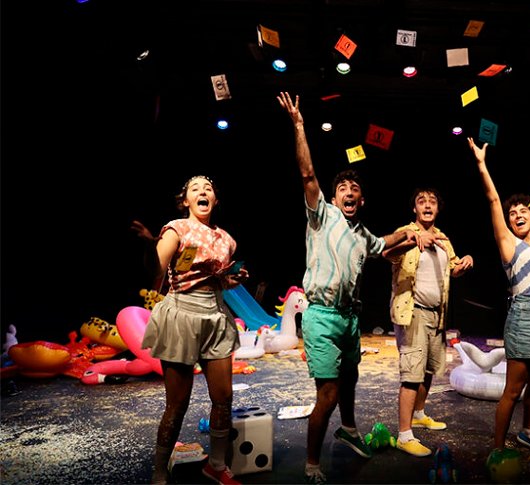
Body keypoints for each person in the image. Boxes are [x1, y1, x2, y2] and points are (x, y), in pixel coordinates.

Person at [277, 91, 425, 484]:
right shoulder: (321, 215)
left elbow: (384, 244)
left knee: (351, 378)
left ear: (361, 200)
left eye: (354, 189)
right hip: (322, 317)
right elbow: (307, 174)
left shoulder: (362, 235)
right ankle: (312, 464)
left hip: (349, 318)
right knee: (327, 394)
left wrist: (410, 235)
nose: (349, 192)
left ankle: (348, 429)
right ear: (334, 196)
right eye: (343, 187)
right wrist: (299, 125)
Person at [130, 175, 249, 485]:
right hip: (182, 314)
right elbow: (156, 269)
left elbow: (219, 279)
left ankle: (217, 464)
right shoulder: (176, 228)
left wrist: (233, 278)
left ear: (215, 200)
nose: (202, 192)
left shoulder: (226, 239)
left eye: (208, 188)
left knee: (223, 398)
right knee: (177, 404)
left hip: (215, 317)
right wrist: (149, 245)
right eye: (195, 189)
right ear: (185, 201)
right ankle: (159, 471)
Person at [466, 137, 530, 456]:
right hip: (523, 316)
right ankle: (497, 449)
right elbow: (494, 200)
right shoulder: (509, 244)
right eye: (513, 214)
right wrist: (482, 165)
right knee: (513, 389)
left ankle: (528, 433)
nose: (518, 215)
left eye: (523, 211)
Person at [382, 187, 474, 457]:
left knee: (430, 369)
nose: (427, 205)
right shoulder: (407, 231)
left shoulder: (443, 238)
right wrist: (414, 240)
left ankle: (419, 414)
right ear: (415, 208)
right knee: (412, 374)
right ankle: (404, 435)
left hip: (437, 314)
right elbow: (387, 253)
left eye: (432, 201)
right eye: (421, 201)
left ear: (437, 208)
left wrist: (464, 263)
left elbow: (452, 268)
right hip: (413, 312)